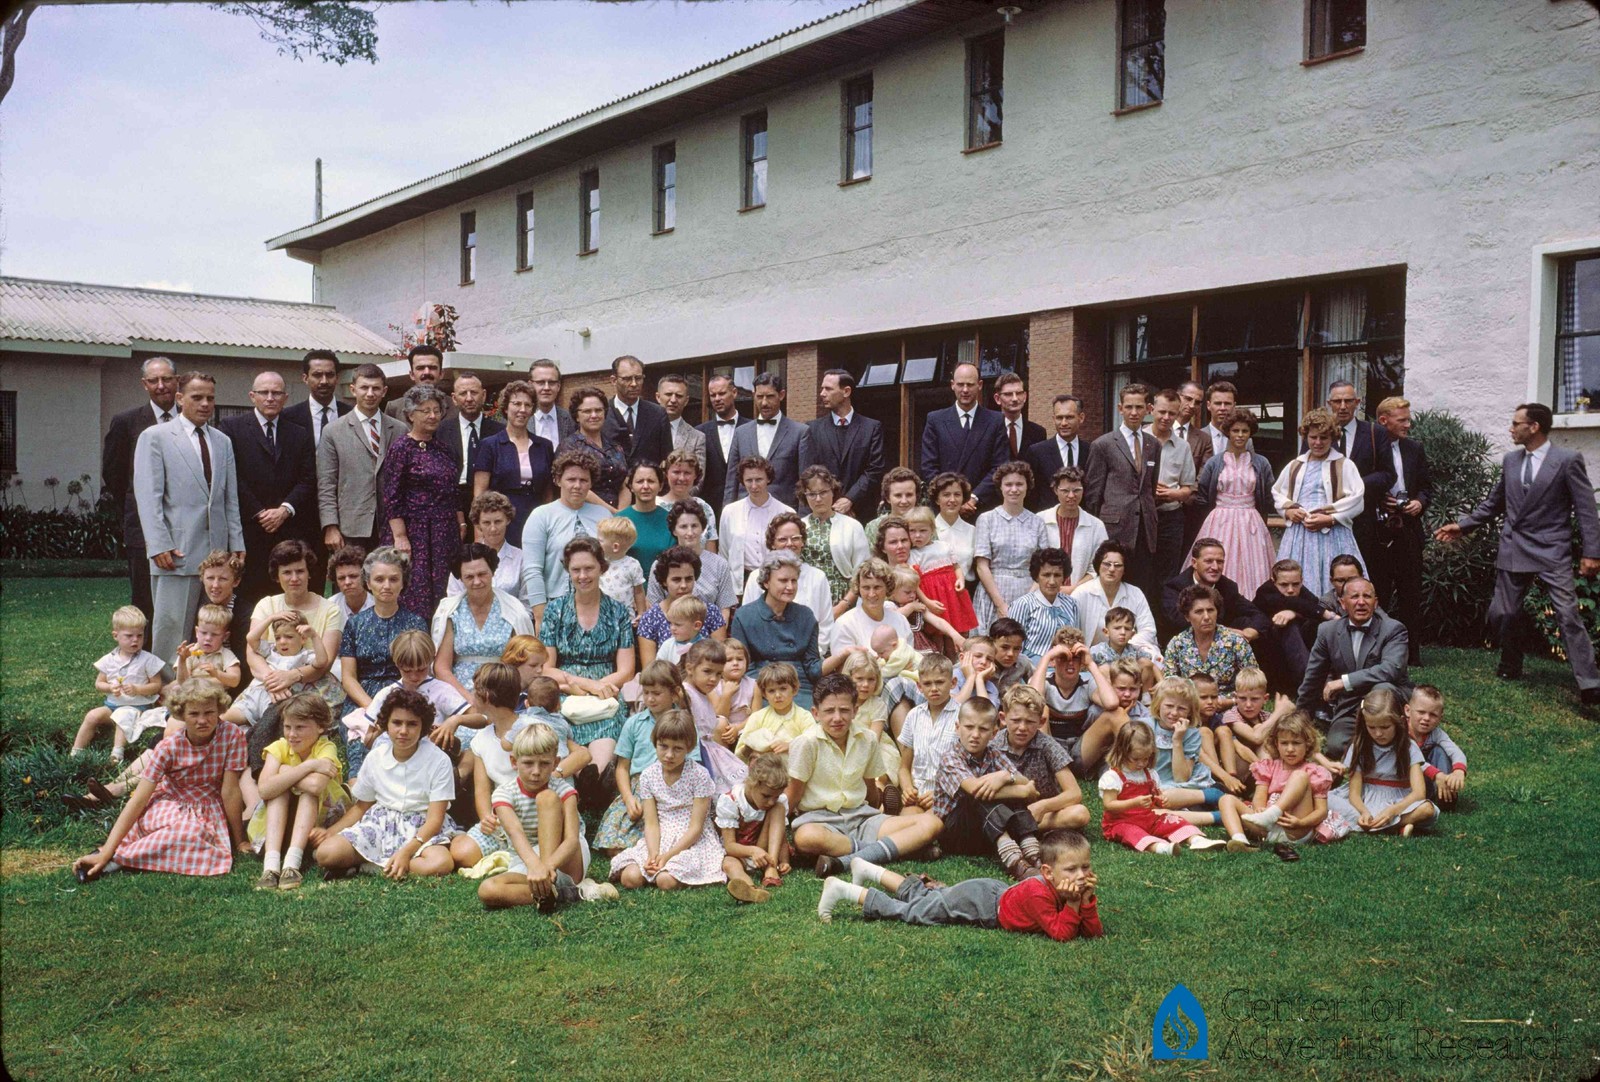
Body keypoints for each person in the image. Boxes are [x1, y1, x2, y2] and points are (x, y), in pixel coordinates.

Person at [1438, 402, 1600, 700]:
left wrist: (1592, 553)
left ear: (1534, 427)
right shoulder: (1511, 460)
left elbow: (1586, 509)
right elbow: (1494, 503)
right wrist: (1462, 526)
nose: (1511, 429)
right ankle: (1511, 661)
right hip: (1514, 547)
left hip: (1552, 550)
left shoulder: (1567, 460)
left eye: (1516, 423)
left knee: (1567, 615)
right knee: (1502, 613)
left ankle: (1590, 683)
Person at [72, 678, 248, 882]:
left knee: (190, 833)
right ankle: (108, 855)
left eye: (209, 712)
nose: (202, 720)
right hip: (171, 802)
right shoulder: (168, 747)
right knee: (180, 830)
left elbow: (230, 791)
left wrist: (240, 841)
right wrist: (109, 847)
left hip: (208, 806)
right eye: (194, 714)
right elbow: (138, 800)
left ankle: (115, 860)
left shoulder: (232, 736)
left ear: (219, 710)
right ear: (181, 714)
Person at [134, 371, 246, 664]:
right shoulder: (155, 437)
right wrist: (158, 544)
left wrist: (236, 542)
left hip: (217, 555)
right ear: (180, 398)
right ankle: (167, 686)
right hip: (176, 552)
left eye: (210, 398)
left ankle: (208, 686)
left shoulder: (222, 441)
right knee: (172, 629)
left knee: (214, 629)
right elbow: (148, 496)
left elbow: (229, 498)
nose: (205, 404)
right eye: (197, 397)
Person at [815, 829, 1103, 943]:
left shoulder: (1067, 887)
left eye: (1085, 867)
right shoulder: (1039, 892)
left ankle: (867, 869)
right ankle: (843, 890)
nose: (1081, 875)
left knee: (925, 896)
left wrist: (1086, 901)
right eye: (1071, 869)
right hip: (980, 903)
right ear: (1047, 872)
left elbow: (1093, 932)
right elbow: (1062, 933)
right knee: (917, 912)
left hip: (990, 892)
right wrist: (1075, 904)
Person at [787, 673, 944, 873]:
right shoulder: (806, 743)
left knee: (932, 823)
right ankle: (901, 849)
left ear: (855, 710)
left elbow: (870, 789)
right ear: (816, 713)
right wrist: (780, 829)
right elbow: (794, 793)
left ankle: (848, 859)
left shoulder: (867, 739)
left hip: (861, 817)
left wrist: (878, 816)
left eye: (844, 710)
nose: (837, 718)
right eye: (829, 711)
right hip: (819, 820)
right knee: (806, 838)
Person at [447, 666, 591, 871]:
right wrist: (486, 816)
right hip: (506, 815)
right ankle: (516, 854)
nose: (471, 696)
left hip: (541, 811)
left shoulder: (535, 727)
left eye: (474, 691)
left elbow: (581, 754)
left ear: (485, 697)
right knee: (462, 853)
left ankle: (533, 858)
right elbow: (482, 789)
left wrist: (555, 774)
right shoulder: (481, 739)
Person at [312, 688, 460, 880]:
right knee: (326, 854)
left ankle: (372, 865)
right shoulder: (376, 757)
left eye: (412, 724)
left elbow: (435, 819)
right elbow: (361, 806)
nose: (403, 731)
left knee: (441, 863)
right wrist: (331, 832)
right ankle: (387, 863)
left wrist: (407, 852)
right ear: (386, 724)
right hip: (380, 823)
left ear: (423, 727)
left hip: (422, 827)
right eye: (397, 723)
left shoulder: (439, 760)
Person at [473, 723, 616, 911]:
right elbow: (516, 834)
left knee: (547, 797)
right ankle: (567, 894)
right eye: (528, 763)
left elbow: (572, 840)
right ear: (514, 762)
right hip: (528, 861)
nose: (536, 771)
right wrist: (535, 867)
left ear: (556, 763)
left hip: (565, 859)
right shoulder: (503, 794)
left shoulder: (564, 790)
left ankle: (551, 884)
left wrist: (547, 867)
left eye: (544, 763)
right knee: (488, 889)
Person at [218, 371, 317, 616]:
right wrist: (259, 512)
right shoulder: (231, 428)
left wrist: (285, 509)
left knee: (287, 597)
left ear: (285, 397)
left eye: (276, 393)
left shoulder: (300, 433)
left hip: (289, 528)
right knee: (249, 600)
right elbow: (232, 476)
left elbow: (308, 478)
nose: (270, 398)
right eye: (264, 392)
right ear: (252, 396)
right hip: (250, 529)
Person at [539, 537, 637, 771]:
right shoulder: (554, 610)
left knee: (607, 731)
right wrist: (586, 685)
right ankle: (569, 776)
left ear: (601, 567)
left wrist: (598, 688)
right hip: (565, 690)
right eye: (576, 570)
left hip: (607, 691)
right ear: (568, 570)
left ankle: (595, 777)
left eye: (589, 568)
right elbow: (546, 668)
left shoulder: (618, 611)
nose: (582, 576)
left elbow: (626, 670)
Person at [608, 709, 727, 891]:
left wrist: (669, 856)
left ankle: (675, 871)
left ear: (689, 748)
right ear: (655, 743)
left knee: (665, 880)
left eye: (677, 749)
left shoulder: (699, 776)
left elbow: (696, 828)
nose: (669, 755)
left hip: (690, 840)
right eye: (663, 746)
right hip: (660, 836)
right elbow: (651, 823)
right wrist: (653, 854)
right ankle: (656, 863)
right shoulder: (648, 776)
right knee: (630, 878)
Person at [1296, 576, 1409, 758]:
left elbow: (1391, 669)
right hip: (1350, 703)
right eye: (1355, 596)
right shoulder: (1328, 631)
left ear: (1375, 602)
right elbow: (1313, 677)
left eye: (1367, 596)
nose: (1361, 602)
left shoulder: (1393, 629)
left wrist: (1344, 682)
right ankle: (1369, 746)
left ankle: (1390, 743)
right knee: (1336, 746)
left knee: (1382, 689)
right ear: (1342, 603)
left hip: (1387, 697)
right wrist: (1299, 719)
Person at [103, 356, 179, 622]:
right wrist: (137, 506)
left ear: (177, 381)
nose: (161, 385)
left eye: (166, 379)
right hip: (142, 529)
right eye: (154, 380)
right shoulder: (126, 422)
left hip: (185, 525)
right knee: (145, 599)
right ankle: (144, 648)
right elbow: (114, 474)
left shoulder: (191, 419)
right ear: (144, 384)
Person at [594, 661, 697, 855]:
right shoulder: (634, 723)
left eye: (656, 693)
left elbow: (694, 764)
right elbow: (622, 767)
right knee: (613, 847)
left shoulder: (684, 724)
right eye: (646, 692)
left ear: (675, 693)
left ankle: (657, 845)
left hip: (672, 789)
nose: (650, 698)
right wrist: (628, 798)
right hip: (640, 787)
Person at [381, 384, 464, 617]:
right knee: (414, 592)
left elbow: (454, 490)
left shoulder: (443, 449)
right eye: (425, 411)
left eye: (437, 410)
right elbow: (392, 494)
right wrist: (400, 536)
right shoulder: (401, 448)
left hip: (444, 532)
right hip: (414, 533)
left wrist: (460, 523)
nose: (432, 416)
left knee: (445, 590)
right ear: (410, 415)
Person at [250, 693, 349, 890]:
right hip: (282, 821)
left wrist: (284, 772)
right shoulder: (279, 747)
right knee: (278, 793)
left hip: (320, 821)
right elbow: (265, 790)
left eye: (300, 727)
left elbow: (316, 786)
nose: (292, 734)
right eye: (288, 727)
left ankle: (292, 864)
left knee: (306, 794)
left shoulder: (325, 747)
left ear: (320, 727)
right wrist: (309, 766)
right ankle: (271, 866)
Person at [1275, 407, 1365, 600]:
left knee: (1337, 578)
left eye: (1323, 438)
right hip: (1299, 534)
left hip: (1333, 533)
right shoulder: (1295, 465)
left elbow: (1357, 499)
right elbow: (1277, 493)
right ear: (1305, 437)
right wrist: (1288, 512)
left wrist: (1331, 519)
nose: (1317, 442)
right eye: (1313, 437)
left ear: (1332, 438)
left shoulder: (1344, 464)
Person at [1217, 710, 1338, 852]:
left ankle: (1272, 814)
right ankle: (1241, 841)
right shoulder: (1269, 767)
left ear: (1307, 744)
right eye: (1284, 743)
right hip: (1267, 829)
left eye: (1296, 743)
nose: (1290, 749)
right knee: (1226, 799)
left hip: (1295, 828)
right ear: (1277, 744)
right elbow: (1260, 796)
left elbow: (1321, 811)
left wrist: (1301, 823)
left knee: (1299, 776)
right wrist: (1259, 809)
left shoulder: (1313, 772)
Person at [1083, 382, 1160, 602]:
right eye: (1129, 407)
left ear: (1148, 409)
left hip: (1145, 529)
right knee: (1113, 585)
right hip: (1114, 528)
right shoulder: (1103, 444)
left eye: (1139, 407)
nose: (1134, 412)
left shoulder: (1153, 444)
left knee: (1141, 588)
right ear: (1120, 408)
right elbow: (1093, 494)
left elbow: (1150, 486)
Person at [317, 363, 405, 554]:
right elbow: (326, 484)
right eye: (364, 387)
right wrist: (330, 526)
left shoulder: (399, 429)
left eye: (376, 388)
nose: (370, 393)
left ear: (384, 391)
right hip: (350, 527)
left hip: (390, 526)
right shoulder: (333, 431)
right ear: (353, 389)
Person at [1326, 687, 1436, 837]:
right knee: (1326, 800)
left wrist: (1393, 810)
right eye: (1371, 727)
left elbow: (1419, 793)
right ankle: (1395, 826)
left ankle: (1378, 825)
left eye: (1385, 727)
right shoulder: (1359, 746)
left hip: (1398, 800)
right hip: (1365, 799)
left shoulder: (1409, 747)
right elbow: (1354, 794)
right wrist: (1363, 811)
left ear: (1399, 722)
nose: (1378, 733)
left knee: (1427, 809)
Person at [1192, 407, 1277, 600]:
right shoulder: (1215, 462)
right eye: (1235, 430)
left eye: (1244, 431)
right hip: (1220, 519)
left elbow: (1268, 495)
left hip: (1250, 520)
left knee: (1253, 565)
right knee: (1218, 561)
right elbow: (1203, 494)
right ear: (1228, 432)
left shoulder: (1261, 463)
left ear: (1250, 433)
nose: (1240, 435)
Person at [1097, 723, 1221, 855]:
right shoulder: (1113, 777)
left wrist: (1160, 800)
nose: (1141, 763)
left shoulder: (1150, 774)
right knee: (1132, 833)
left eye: (1146, 758)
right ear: (1121, 752)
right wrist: (1134, 803)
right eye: (1136, 759)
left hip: (1148, 818)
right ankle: (1160, 847)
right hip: (1120, 822)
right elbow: (1109, 805)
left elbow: (1155, 796)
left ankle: (1196, 839)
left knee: (1173, 820)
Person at [1371, 396, 1430, 667]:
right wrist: (1378, 499)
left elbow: (1426, 486)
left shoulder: (1414, 448)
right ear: (1384, 421)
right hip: (1378, 530)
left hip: (1408, 530)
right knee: (1379, 593)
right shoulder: (1370, 447)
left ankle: (1411, 654)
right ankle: (1377, 651)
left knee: (1411, 594)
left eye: (1408, 419)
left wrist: (1419, 502)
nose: (1408, 424)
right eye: (1402, 420)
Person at [520, 449, 611, 625]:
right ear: (558, 480)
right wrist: (540, 616)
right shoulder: (541, 515)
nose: (577, 485)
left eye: (583, 480)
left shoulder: (603, 515)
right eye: (571, 479)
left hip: (599, 606)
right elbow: (532, 570)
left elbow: (612, 563)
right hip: (555, 608)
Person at [433, 542, 535, 697]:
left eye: (482, 574)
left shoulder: (513, 610)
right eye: (469, 577)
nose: (477, 581)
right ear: (461, 578)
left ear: (492, 572)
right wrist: (468, 700)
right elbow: (441, 667)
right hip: (459, 695)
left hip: (503, 692)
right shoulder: (451, 612)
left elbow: (524, 663)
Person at [730, 551, 829, 706]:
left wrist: (841, 656)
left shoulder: (805, 615)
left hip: (800, 688)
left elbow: (812, 668)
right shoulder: (744, 616)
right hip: (761, 689)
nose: (790, 587)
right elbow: (745, 667)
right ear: (766, 582)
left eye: (794, 581)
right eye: (783, 580)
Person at [987, 685, 1092, 832]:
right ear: (1003, 718)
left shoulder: (1047, 745)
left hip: (1041, 813)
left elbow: (1074, 793)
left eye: (1030, 722)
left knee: (1080, 814)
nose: (1022, 727)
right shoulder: (993, 745)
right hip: (1005, 810)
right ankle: (1020, 828)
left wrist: (1043, 806)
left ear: (1041, 722)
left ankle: (1015, 829)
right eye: (1016, 720)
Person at [338, 547, 428, 713]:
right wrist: (372, 708)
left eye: (393, 579)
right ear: (368, 583)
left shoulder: (416, 623)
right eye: (379, 579)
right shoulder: (354, 624)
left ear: (403, 583)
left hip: (407, 697)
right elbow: (348, 677)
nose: (386, 586)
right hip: (362, 700)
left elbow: (422, 671)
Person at [71, 606, 166, 759]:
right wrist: (110, 687)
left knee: (123, 716)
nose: (135, 640)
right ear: (116, 636)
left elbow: (156, 686)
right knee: (92, 716)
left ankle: (117, 754)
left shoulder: (148, 660)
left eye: (140, 635)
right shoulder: (109, 659)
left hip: (137, 707)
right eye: (129, 636)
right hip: (112, 706)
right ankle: (76, 752)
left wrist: (137, 689)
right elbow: (99, 683)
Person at [471, 380, 554, 544]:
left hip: (537, 519)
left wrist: (550, 522)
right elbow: (479, 493)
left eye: (527, 405)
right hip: (501, 521)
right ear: (505, 407)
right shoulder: (490, 445)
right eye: (516, 404)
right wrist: (479, 534)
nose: (522, 410)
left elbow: (548, 492)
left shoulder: (544, 446)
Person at [1319, 380, 1395, 559]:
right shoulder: (1318, 435)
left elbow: (1388, 475)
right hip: (1326, 519)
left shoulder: (1375, 433)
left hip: (1364, 520)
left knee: (1362, 569)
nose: (1343, 406)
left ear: (1357, 402)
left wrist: (1355, 486)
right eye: (1337, 401)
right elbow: (1306, 470)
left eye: (1348, 401)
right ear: (1329, 404)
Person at [973, 461, 1052, 630]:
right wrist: (1000, 604)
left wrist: (1026, 603)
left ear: (1027, 486)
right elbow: (982, 566)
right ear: (1000, 487)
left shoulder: (1037, 522)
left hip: (1028, 591)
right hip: (993, 593)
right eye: (1008, 484)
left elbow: (1043, 567)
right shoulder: (986, 519)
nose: (1014, 489)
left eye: (1019, 484)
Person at [920, 362, 1009, 512]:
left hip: (982, 507)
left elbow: (1000, 466)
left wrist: (974, 497)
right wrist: (951, 497)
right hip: (944, 508)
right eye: (960, 384)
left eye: (970, 384)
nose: (965, 390)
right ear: (952, 385)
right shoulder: (935, 420)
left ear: (980, 385)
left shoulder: (996, 421)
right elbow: (928, 466)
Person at [224, 613, 337, 729]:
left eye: (289, 637)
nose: (282, 641)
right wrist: (270, 619)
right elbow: (251, 638)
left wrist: (314, 636)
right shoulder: (271, 650)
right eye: (278, 637)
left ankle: (253, 733)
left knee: (268, 728)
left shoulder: (305, 656)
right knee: (224, 719)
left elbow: (322, 661)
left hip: (277, 701)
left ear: (303, 638)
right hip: (255, 696)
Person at [803, 369, 885, 518]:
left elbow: (875, 469)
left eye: (828, 389)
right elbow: (809, 472)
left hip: (861, 512)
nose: (822, 393)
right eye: (822, 388)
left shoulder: (871, 428)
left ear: (846, 391)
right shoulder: (812, 429)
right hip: (823, 511)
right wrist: (830, 501)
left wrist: (850, 498)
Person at [725, 372, 811, 507]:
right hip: (746, 511)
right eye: (759, 397)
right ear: (754, 396)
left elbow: (806, 482)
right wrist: (727, 513)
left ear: (781, 395)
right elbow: (731, 482)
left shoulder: (800, 433)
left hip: (784, 513)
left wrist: (801, 517)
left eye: (770, 396)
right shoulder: (741, 433)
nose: (764, 403)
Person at [1251, 558, 1336, 694]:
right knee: (1287, 625)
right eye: (1284, 585)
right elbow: (1291, 603)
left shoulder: (1300, 590)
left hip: (1297, 650)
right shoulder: (1265, 591)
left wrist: (1294, 613)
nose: (1290, 590)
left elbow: (1312, 604)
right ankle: (1311, 686)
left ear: (1301, 581)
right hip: (1270, 656)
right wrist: (1326, 614)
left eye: (1295, 584)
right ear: (1273, 581)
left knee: (1317, 625)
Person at [716, 752, 791, 903]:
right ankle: (749, 889)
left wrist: (784, 860)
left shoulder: (777, 802)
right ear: (752, 783)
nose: (771, 801)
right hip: (739, 853)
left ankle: (771, 868)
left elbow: (780, 833)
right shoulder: (731, 801)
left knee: (778, 808)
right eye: (766, 796)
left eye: (776, 796)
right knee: (729, 864)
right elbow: (729, 846)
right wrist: (752, 851)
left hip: (765, 853)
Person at [895, 655, 964, 815]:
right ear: (919, 686)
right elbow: (904, 767)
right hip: (918, 795)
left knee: (926, 823)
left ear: (953, 683)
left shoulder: (963, 716)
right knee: (905, 821)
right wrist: (907, 789)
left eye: (940, 682)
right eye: (927, 684)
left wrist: (941, 793)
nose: (934, 688)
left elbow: (971, 767)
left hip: (949, 796)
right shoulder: (913, 716)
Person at [646, 509, 737, 629]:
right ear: (674, 530)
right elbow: (654, 607)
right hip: (670, 631)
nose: (690, 532)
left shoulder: (719, 564)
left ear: (702, 528)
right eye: (683, 527)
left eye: (694, 526)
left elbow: (724, 609)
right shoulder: (660, 564)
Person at [1145, 388, 1199, 587]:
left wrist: (1174, 494)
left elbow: (1188, 488)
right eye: (1162, 412)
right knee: (1143, 570)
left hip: (1171, 518)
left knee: (1168, 573)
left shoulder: (1183, 447)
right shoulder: (1138, 440)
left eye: (1172, 413)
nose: (1166, 417)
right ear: (1151, 409)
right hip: (1143, 516)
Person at [1163, 585, 1258, 697]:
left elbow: (1254, 682)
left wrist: (1227, 702)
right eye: (1199, 612)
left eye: (1210, 610)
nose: (1207, 617)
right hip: (1190, 703)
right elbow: (1170, 684)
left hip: (1230, 704)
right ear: (1187, 616)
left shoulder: (1236, 642)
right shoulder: (1177, 644)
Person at [719, 455, 795, 596]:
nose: (754, 486)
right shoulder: (730, 512)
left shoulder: (786, 512)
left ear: (768, 479)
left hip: (777, 580)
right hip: (741, 583)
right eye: (749, 480)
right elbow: (724, 553)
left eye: (759, 479)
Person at [798, 465, 871, 608]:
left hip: (843, 600)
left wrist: (842, 606)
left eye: (823, 492)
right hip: (806, 598)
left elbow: (862, 571)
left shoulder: (852, 526)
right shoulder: (799, 526)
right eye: (812, 494)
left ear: (833, 491)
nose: (818, 499)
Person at [434, 372, 504, 515]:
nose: (469, 398)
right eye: (463, 393)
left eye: (474, 392)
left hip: (490, 501)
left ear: (483, 395)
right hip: (450, 502)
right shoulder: (440, 431)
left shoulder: (500, 432)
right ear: (454, 399)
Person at [1070, 540, 1158, 649]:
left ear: (1125, 569)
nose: (1111, 569)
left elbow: (1148, 630)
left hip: (1129, 653)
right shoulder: (1081, 593)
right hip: (1090, 655)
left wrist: (1125, 648)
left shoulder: (1135, 593)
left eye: (1117, 565)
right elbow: (1069, 631)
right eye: (1107, 564)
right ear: (1098, 565)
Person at [905, 507, 977, 636]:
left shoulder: (944, 546)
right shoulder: (912, 554)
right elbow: (915, 584)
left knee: (959, 627)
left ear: (932, 530)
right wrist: (927, 602)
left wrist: (960, 579)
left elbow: (956, 566)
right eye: (912, 531)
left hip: (952, 595)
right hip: (932, 597)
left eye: (923, 530)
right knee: (937, 633)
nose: (917, 535)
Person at [561, 386, 632, 511]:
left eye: (598, 410)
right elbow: (576, 485)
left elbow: (624, 486)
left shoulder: (616, 447)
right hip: (585, 512)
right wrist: (611, 512)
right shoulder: (570, 446)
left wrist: (622, 513)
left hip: (619, 516)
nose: (594, 415)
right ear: (577, 416)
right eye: (587, 411)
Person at [1006, 549, 1081, 664]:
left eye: (1057, 575)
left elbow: (1076, 641)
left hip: (1065, 666)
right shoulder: (1023, 605)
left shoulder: (1072, 604)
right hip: (1031, 667)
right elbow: (1013, 645)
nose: (1052, 581)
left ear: (1064, 577)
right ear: (1037, 577)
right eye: (1046, 575)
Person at [448, 492, 525, 602]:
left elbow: (527, 603)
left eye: (498, 522)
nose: (493, 529)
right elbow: (453, 600)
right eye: (486, 523)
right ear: (478, 524)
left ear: (507, 520)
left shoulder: (521, 558)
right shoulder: (464, 558)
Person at [601, 355, 672, 470]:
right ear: (614, 380)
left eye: (638, 378)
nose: (634, 384)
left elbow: (666, 457)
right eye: (627, 379)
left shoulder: (657, 414)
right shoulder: (602, 413)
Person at [831, 557, 914, 655]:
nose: (871, 594)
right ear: (858, 588)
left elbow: (911, 658)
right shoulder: (845, 624)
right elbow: (842, 663)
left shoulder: (900, 620)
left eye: (877, 587)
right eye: (866, 588)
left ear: (887, 587)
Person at [1023, 394, 1091, 513]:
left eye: (1069, 417)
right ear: (1053, 418)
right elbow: (1030, 494)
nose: (1064, 423)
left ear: (1081, 417)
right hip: (1047, 520)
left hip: (1082, 519)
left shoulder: (1090, 451)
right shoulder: (1037, 452)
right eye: (1059, 418)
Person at [735, 662, 816, 759]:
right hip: (764, 766)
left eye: (783, 689)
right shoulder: (757, 717)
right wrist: (752, 746)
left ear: (794, 689)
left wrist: (791, 746)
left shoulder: (804, 716)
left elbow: (814, 745)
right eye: (771, 691)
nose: (777, 695)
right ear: (764, 694)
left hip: (793, 765)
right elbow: (738, 754)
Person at [1041, 467, 1107, 585]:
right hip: (1044, 591)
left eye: (1076, 490)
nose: (1071, 495)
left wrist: (1074, 589)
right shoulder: (1040, 520)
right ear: (1056, 490)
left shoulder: (1096, 526)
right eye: (1065, 491)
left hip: (1082, 592)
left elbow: (1098, 567)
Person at [1405, 685, 1466, 807]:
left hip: (1427, 778)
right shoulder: (1399, 731)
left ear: (1440, 718)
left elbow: (1455, 751)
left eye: (1433, 715)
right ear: (1407, 710)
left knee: (1440, 751)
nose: (1426, 718)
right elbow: (1411, 759)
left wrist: (1459, 771)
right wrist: (1436, 774)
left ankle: (1445, 793)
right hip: (1404, 779)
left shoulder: (1436, 733)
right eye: (1421, 712)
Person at [696, 372, 746, 519]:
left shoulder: (751, 428)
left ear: (734, 393)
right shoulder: (699, 432)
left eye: (722, 393)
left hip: (743, 504)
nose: (717, 399)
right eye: (713, 395)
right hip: (709, 509)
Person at [279, 349, 350, 446]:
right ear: (305, 378)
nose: (324, 381)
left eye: (330, 375)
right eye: (317, 375)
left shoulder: (351, 415)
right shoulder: (288, 417)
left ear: (337, 378)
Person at [658, 450, 721, 551]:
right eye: (676, 472)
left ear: (695, 475)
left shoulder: (705, 508)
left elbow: (711, 553)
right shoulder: (654, 506)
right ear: (666, 473)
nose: (681, 478)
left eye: (687, 473)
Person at [619, 461, 673, 574]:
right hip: (628, 583)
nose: (645, 486)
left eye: (651, 481)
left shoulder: (671, 520)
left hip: (662, 582)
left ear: (660, 486)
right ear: (631, 486)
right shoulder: (618, 520)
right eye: (639, 481)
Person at [384, 345, 457, 424]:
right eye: (420, 368)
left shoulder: (456, 407)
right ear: (412, 374)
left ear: (441, 374)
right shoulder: (394, 408)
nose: (426, 372)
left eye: (432, 368)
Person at [929, 472, 978, 586]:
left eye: (957, 494)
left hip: (966, 590)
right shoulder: (928, 530)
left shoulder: (973, 531)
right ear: (937, 499)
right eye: (946, 495)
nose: (952, 499)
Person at [655, 373, 707, 471]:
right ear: (658, 397)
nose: (673, 400)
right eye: (668, 394)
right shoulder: (644, 429)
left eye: (678, 396)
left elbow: (699, 475)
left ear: (686, 401)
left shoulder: (697, 438)